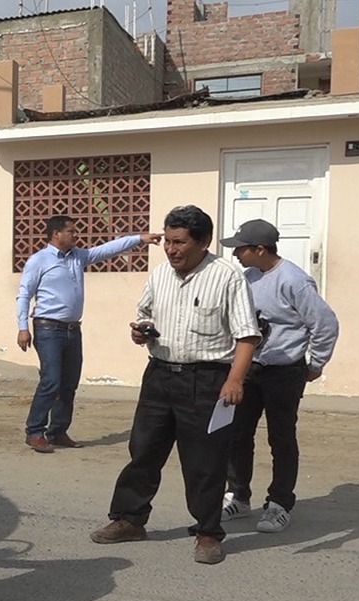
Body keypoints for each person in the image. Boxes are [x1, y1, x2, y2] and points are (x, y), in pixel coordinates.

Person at [89, 205, 261, 565]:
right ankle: (129, 519)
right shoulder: (159, 275)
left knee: (204, 461)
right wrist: (140, 331)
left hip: (208, 379)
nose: (171, 249)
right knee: (144, 450)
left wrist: (234, 380)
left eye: (179, 242)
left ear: (203, 241)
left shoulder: (227, 276)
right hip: (160, 376)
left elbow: (247, 336)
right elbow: (145, 315)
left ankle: (209, 533)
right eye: (167, 241)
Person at [219, 219, 339, 533]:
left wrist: (315, 363)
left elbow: (325, 324)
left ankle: (279, 504)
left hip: (284, 371)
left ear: (260, 249)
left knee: (281, 438)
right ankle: (239, 496)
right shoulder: (247, 277)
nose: (236, 255)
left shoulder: (294, 281)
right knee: (237, 434)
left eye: (241, 249)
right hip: (250, 369)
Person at [16, 215, 160, 452]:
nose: (76, 235)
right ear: (56, 234)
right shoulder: (38, 261)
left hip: (73, 329)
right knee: (51, 380)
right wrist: (22, 327)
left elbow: (108, 249)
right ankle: (34, 431)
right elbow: (24, 295)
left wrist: (140, 239)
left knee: (69, 383)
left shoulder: (78, 257)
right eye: (71, 231)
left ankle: (58, 431)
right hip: (48, 328)